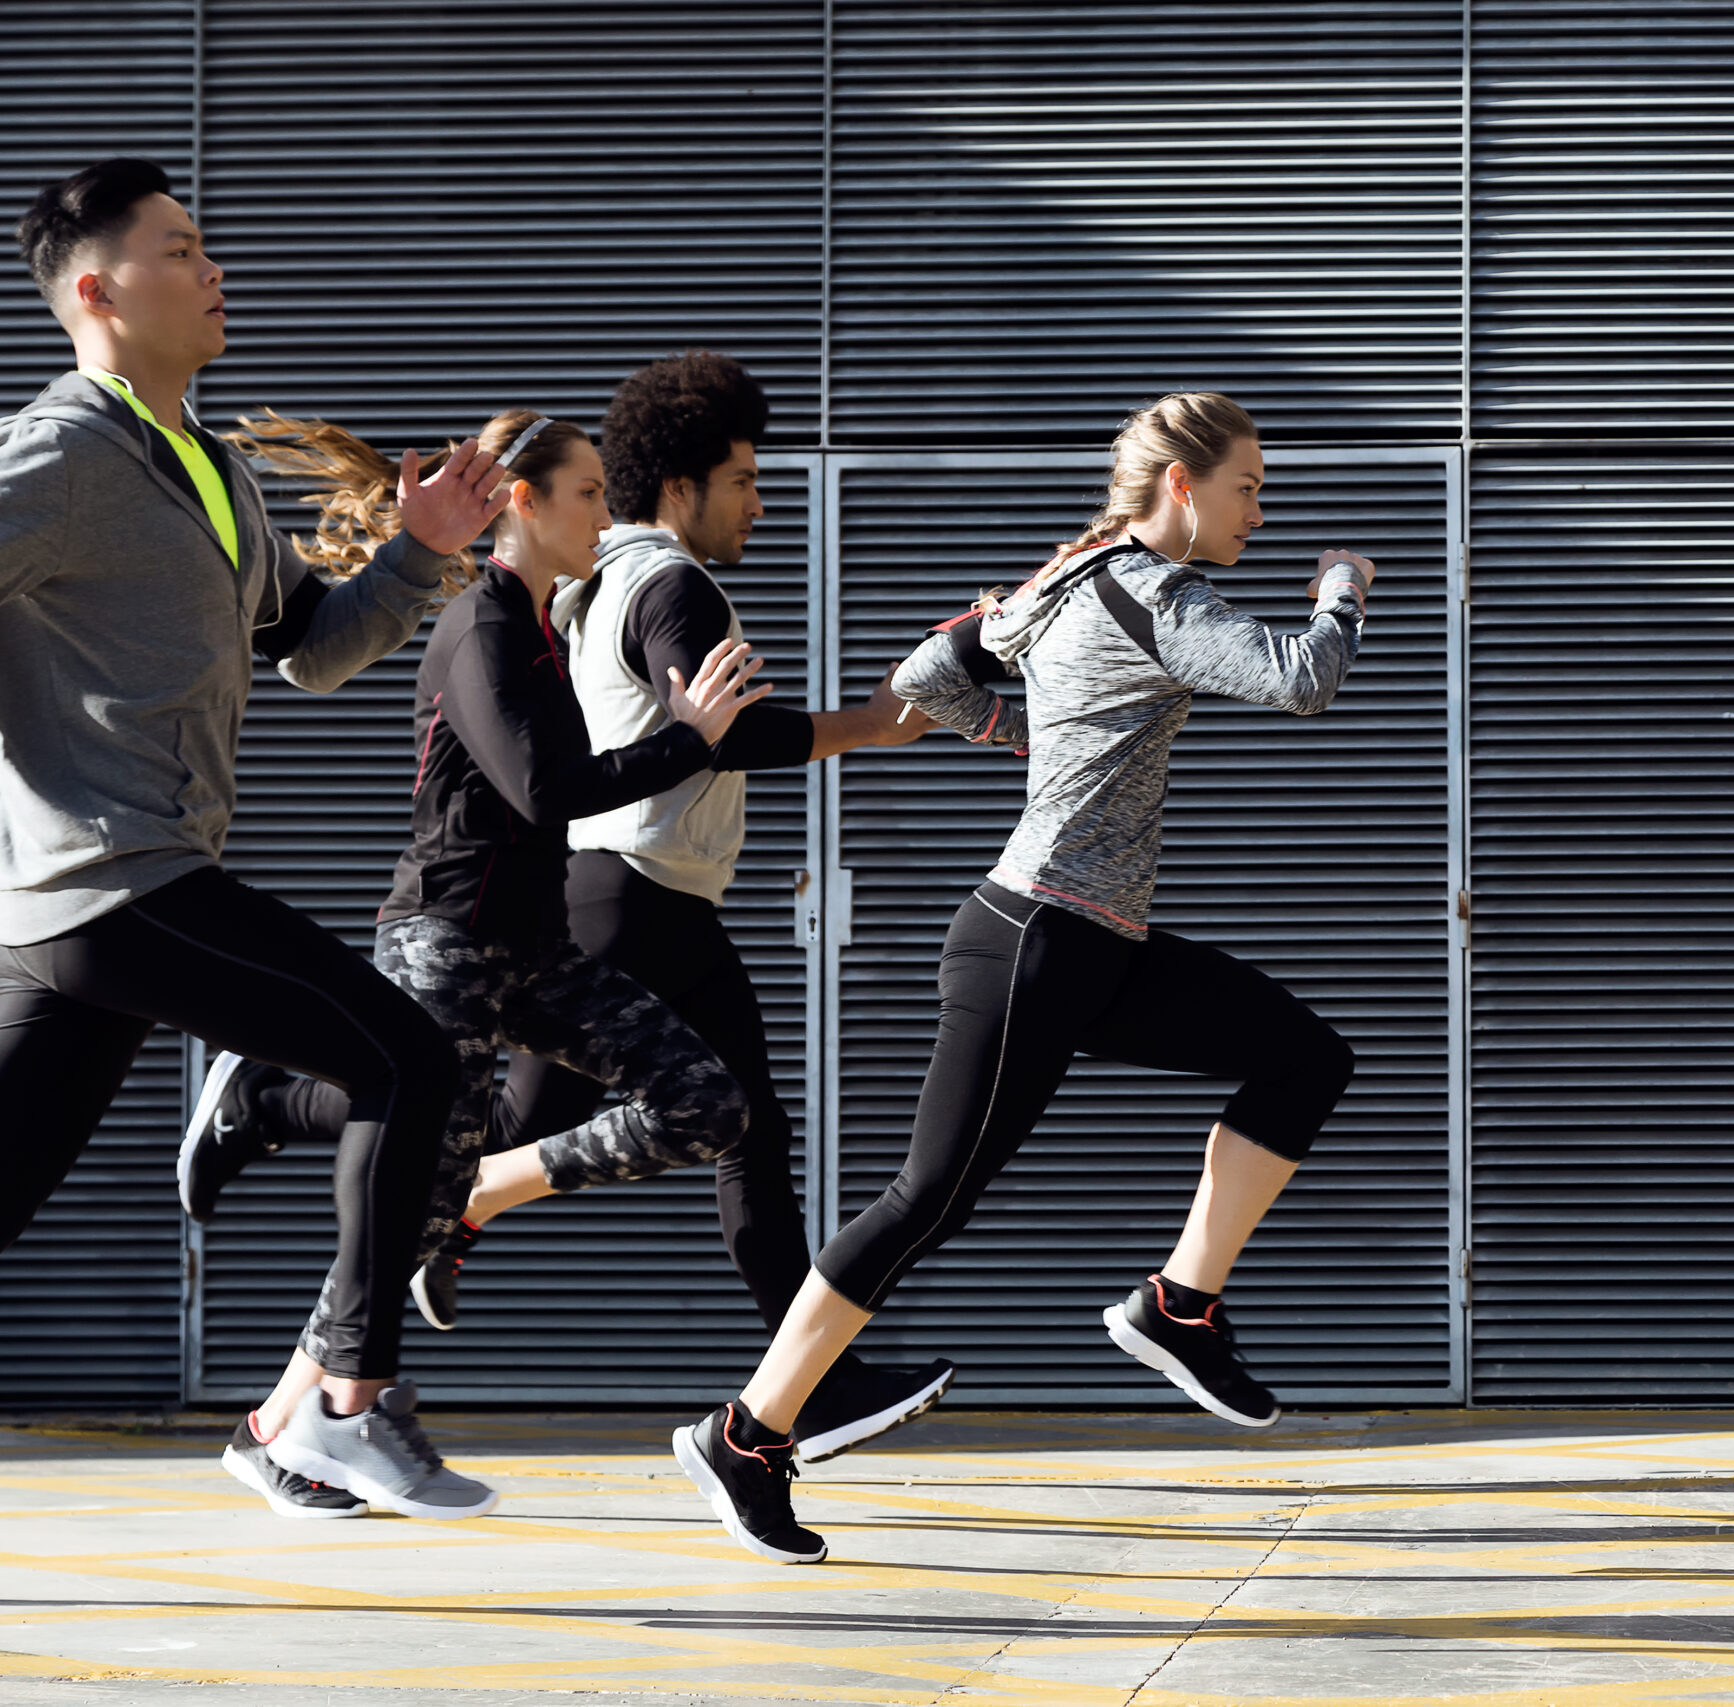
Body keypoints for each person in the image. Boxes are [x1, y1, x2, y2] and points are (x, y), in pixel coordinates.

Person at [183, 352, 965, 1461]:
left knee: (619, 1127)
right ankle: (276, 1135)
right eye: (742, 478)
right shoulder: (637, 590)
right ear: (679, 486)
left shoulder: (568, 601)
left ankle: (311, 1321)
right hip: (591, 899)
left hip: (588, 904)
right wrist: (866, 724)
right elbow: (685, 742)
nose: (760, 499)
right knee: (466, 1138)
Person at [672, 391, 1376, 1563]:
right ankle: (747, 1435)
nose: (1263, 511)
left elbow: (925, 676)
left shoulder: (1067, 579)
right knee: (926, 1201)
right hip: (1036, 940)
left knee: (1304, 1057)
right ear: (1185, 490)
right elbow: (1303, 677)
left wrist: (1033, 732)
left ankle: (1178, 1308)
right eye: (1249, 488)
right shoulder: (1155, 591)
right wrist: (1340, 587)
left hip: (1089, 942)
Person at [0, 157, 512, 1522]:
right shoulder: (58, 452)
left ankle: (256, 1124)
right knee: (411, 1053)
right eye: (180, 248)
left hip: (104, 903)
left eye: (206, 243)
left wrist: (415, 551)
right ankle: (341, 1405)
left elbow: (313, 650)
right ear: (100, 292)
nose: (212, 265)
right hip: (111, 877)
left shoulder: (206, 465)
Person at [193, 407, 770, 1518]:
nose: (608, 512)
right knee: (408, 1205)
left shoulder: (548, 625)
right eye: (591, 493)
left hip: (535, 948)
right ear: (524, 504)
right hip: (447, 941)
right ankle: (279, 1404)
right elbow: (546, 794)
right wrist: (686, 739)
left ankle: (307, 1144)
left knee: (706, 1104)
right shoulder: (483, 624)